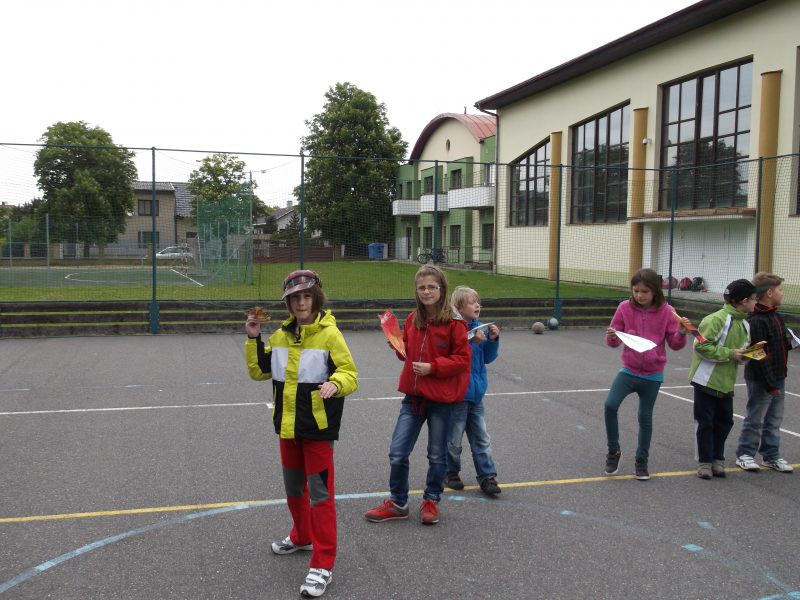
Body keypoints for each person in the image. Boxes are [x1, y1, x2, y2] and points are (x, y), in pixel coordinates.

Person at [244, 269, 358, 598]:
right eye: (295, 298)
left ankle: (323, 563)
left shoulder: (330, 335)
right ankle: (302, 536)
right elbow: (259, 371)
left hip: (318, 431)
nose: (301, 302)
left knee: (320, 497)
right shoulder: (280, 336)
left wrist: (336, 383)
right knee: (294, 490)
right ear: (289, 303)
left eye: (307, 296)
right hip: (287, 428)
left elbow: (350, 374)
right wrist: (253, 338)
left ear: (316, 298)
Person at [365, 265, 471, 525]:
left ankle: (431, 500)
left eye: (432, 287)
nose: (426, 292)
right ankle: (398, 503)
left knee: (436, 455)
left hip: (441, 400)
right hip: (413, 398)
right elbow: (408, 354)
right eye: (422, 287)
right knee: (397, 452)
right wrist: (397, 346)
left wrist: (433, 367)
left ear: (442, 289)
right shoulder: (414, 319)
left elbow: (462, 360)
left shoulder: (455, 323)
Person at [603, 268, 690, 480]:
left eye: (644, 291)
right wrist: (612, 336)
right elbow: (613, 341)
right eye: (636, 291)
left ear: (655, 291)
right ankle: (614, 451)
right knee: (610, 405)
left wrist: (681, 332)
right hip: (629, 370)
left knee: (645, 417)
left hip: (653, 374)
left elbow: (675, 344)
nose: (639, 295)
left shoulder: (668, 311)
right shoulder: (624, 308)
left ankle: (641, 460)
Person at [689, 278, 762, 480]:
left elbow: (741, 352)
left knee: (725, 422)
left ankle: (717, 459)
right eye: (754, 299)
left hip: (726, 382)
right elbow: (700, 346)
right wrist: (731, 353)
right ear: (744, 301)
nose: (756, 302)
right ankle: (705, 462)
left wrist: (749, 354)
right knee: (705, 422)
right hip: (706, 380)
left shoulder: (745, 324)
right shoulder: (715, 319)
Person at [444, 286, 502, 495]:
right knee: (454, 440)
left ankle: (487, 476)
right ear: (459, 308)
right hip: (458, 395)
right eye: (472, 302)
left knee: (481, 439)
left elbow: (487, 358)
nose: (478, 305)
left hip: (476, 396)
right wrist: (471, 344)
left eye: (478, 302)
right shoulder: (454, 329)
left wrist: (492, 340)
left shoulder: (480, 328)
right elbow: (455, 359)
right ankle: (450, 472)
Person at [735, 272, 794, 473]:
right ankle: (745, 453)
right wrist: (771, 385)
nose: (782, 293)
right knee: (756, 418)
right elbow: (759, 354)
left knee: (774, 419)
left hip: (778, 376)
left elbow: (779, 344)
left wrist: (790, 343)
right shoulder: (756, 320)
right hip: (762, 379)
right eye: (779, 290)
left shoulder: (776, 316)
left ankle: (771, 455)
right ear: (769, 293)